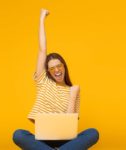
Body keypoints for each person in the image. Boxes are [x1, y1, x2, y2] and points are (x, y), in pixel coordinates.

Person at [12, 8, 99, 150]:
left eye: (59, 66)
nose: (56, 70)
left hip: (67, 141)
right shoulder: (43, 82)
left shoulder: (73, 90)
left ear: (64, 67)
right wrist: (41, 19)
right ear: (48, 72)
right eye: (52, 68)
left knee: (93, 133)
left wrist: (72, 95)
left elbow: (68, 125)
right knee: (18, 134)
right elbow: (42, 50)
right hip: (43, 141)